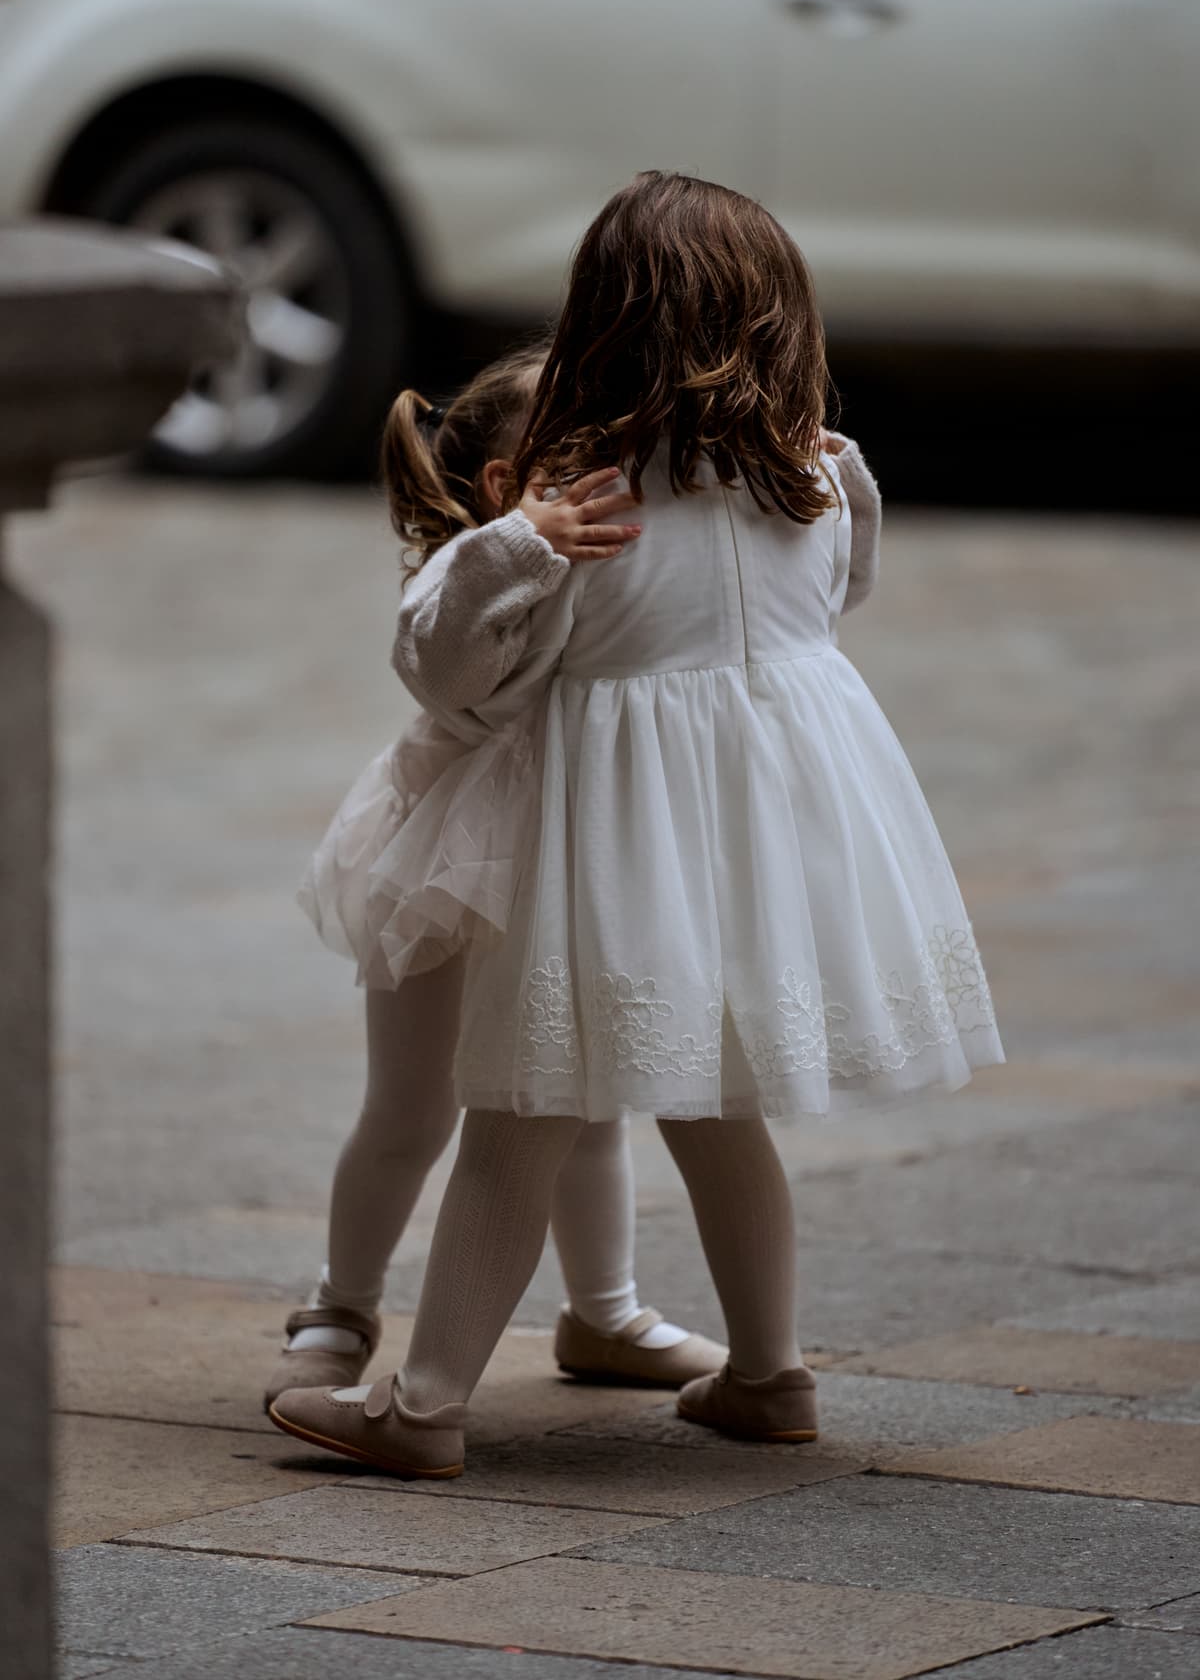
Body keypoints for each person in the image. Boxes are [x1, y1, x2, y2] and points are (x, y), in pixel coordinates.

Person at [269, 172, 1000, 1480]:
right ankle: (770, 1375)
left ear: (605, 317)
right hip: (753, 850)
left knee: (515, 1111)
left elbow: (446, 677)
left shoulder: (586, 505)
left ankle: (423, 1405)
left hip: (610, 856)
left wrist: (513, 546)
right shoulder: (818, 479)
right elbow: (839, 607)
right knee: (722, 1112)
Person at [266, 346, 726, 1408]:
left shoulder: (613, 560)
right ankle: (339, 1306)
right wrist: (524, 544)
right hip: (448, 862)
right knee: (412, 1108)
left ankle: (604, 1310)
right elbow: (440, 658)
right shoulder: (472, 565)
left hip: (574, 856)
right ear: (506, 488)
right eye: (581, 453)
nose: (617, 470)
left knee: (585, 1099)